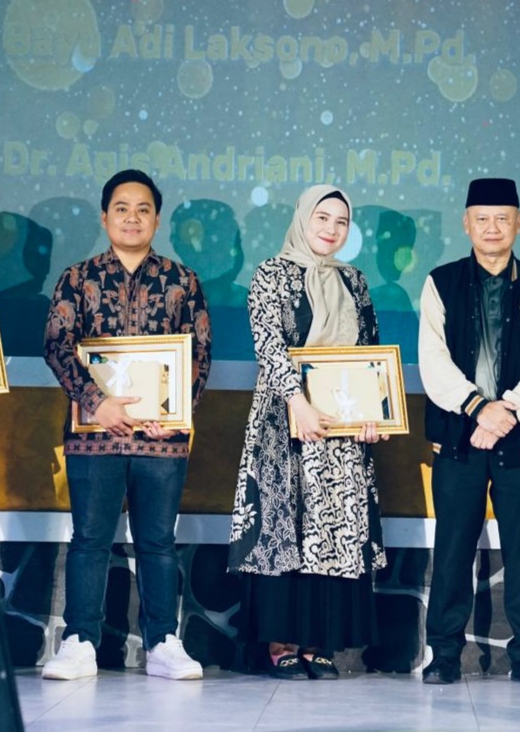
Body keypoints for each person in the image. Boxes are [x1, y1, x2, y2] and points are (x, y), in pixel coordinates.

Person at [41, 169, 212, 681]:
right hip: (94, 436)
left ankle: (162, 642)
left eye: (143, 210)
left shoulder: (183, 282)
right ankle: (79, 642)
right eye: (121, 208)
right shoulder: (77, 279)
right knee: (90, 540)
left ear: (157, 220)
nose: (132, 218)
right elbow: (56, 345)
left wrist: (174, 413)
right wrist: (97, 404)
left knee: (158, 542)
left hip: (162, 441)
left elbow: (200, 355)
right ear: (104, 217)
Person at [228, 185, 387, 680]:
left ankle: (319, 641)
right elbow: (269, 345)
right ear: (303, 218)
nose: (331, 229)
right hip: (286, 423)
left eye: (341, 221)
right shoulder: (271, 273)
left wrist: (373, 413)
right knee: (287, 529)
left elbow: (370, 353)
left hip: (341, 432)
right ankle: (282, 643)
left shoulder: (354, 281)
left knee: (332, 533)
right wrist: (298, 401)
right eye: (322, 217)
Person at [419, 178, 520, 687]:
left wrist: (508, 412)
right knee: (452, 550)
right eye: (482, 218)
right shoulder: (441, 282)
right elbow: (433, 360)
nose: (492, 227)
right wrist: (479, 409)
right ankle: (443, 654)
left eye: (503, 218)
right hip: (458, 437)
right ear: (466, 224)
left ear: (519, 223)